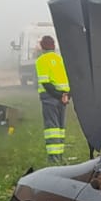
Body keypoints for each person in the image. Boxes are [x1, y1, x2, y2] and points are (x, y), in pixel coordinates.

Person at [34, 35, 70, 163]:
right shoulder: (60, 59)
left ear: (42, 47)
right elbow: (68, 79)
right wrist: (65, 95)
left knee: (52, 129)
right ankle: (60, 156)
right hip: (64, 98)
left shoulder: (41, 61)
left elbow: (46, 83)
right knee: (60, 129)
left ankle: (53, 159)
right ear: (54, 46)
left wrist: (58, 95)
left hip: (50, 98)